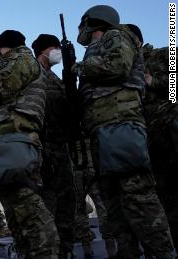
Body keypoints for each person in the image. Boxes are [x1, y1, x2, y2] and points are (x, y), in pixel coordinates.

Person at [73, 5, 175, 257]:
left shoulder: (119, 37)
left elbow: (118, 66)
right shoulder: (99, 48)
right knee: (117, 202)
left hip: (132, 126)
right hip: (109, 130)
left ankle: (164, 252)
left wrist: (155, 82)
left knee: (141, 196)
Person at [0, 30, 59, 258]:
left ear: (1, 49)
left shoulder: (21, 59)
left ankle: (47, 252)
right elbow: (7, 100)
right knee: (17, 214)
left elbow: (0, 88)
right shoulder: (18, 63)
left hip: (18, 141)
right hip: (7, 142)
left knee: (28, 208)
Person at [128, 23, 178, 253]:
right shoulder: (126, 67)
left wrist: (154, 81)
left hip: (171, 130)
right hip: (149, 141)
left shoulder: (163, 54)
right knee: (164, 198)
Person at [31, 34, 77, 257]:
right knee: (48, 206)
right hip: (44, 149)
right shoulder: (33, 75)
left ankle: (65, 252)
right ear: (42, 51)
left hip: (61, 148)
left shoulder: (56, 78)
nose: (58, 51)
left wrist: (71, 75)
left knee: (67, 205)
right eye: (55, 48)